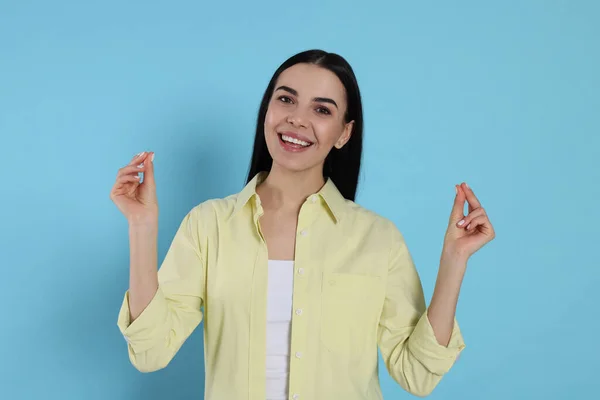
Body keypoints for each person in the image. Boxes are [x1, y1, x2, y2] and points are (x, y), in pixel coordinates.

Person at [110, 49, 495, 400]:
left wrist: (454, 259)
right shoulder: (208, 225)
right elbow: (151, 351)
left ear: (345, 133)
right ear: (267, 110)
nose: (297, 118)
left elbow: (417, 376)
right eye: (286, 99)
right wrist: (142, 227)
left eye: (322, 110)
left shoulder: (378, 239)